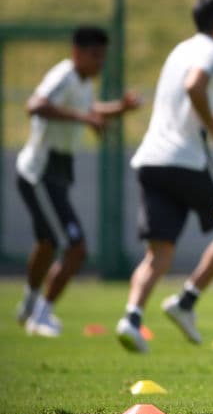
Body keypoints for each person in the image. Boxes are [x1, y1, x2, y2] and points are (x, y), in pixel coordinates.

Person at [116, 0, 213, 353]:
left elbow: (180, 107)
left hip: (151, 160)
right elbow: (195, 87)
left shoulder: (180, 50)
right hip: (185, 162)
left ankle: (131, 318)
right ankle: (187, 301)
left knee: (159, 253)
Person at [15, 26, 140, 337]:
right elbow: (35, 105)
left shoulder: (82, 83)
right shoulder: (64, 75)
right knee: (76, 246)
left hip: (56, 173)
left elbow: (88, 110)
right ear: (77, 53)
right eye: (94, 56)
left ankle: (30, 306)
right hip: (40, 172)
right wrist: (84, 119)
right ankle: (40, 316)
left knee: (47, 243)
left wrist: (118, 109)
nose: (99, 63)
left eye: (103, 57)